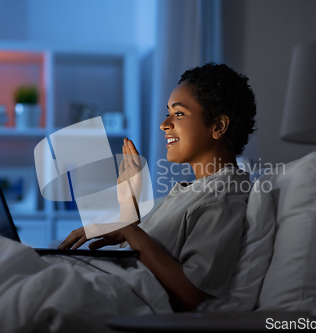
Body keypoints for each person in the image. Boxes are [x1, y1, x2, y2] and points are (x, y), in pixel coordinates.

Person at [59, 63, 257, 312]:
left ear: (218, 126)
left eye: (179, 113)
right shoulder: (194, 191)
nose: (164, 124)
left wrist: (130, 230)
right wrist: (128, 202)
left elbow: (193, 296)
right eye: (168, 113)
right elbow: (140, 255)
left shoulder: (225, 194)